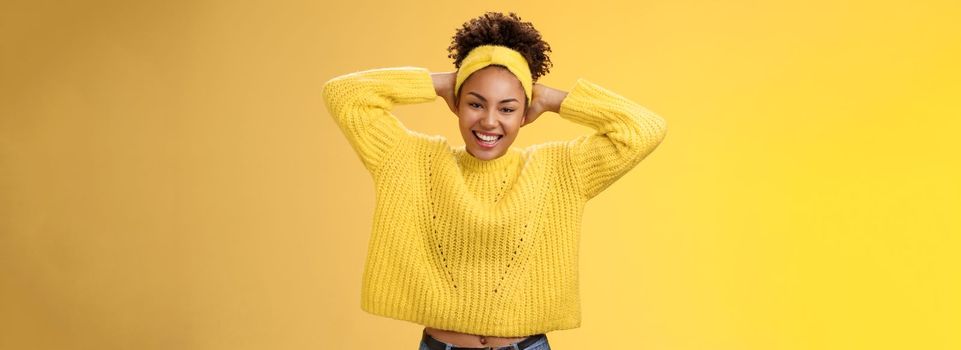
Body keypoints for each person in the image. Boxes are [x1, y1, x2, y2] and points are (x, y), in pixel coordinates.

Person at [322, 11, 667, 350]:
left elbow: (643, 130)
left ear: (525, 113)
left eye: (507, 108)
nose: (489, 121)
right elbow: (345, 96)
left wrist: (551, 98)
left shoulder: (561, 169)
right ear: (457, 103)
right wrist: (442, 83)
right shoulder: (411, 160)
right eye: (475, 103)